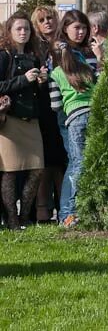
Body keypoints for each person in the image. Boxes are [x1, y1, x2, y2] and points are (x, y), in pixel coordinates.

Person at [51, 10, 99, 228]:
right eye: (76, 28)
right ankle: (68, 213)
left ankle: (71, 212)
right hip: (73, 117)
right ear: (65, 29)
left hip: (73, 115)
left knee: (78, 164)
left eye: (84, 28)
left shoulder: (82, 53)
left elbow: (55, 102)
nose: (81, 32)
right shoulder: (61, 55)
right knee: (78, 164)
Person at [0, 12, 47, 230]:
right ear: (9, 31)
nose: (23, 32)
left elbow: (36, 92)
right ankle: (11, 220)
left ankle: (25, 215)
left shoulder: (34, 56)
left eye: (26, 29)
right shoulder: (3, 56)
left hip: (31, 120)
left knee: (37, 169)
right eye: (18, 28)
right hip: (9, 120)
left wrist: (40, 82)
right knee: (10, 171)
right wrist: (23, 79)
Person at [29, 6, 65, 224]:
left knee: (62, 161)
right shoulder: (35, 48)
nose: (47, 23)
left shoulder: (63, 43)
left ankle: (64, 207)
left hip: (63, 107)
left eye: (50, 18)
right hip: (42, 108)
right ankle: (42, 208)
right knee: (44, 162)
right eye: (42, 20)